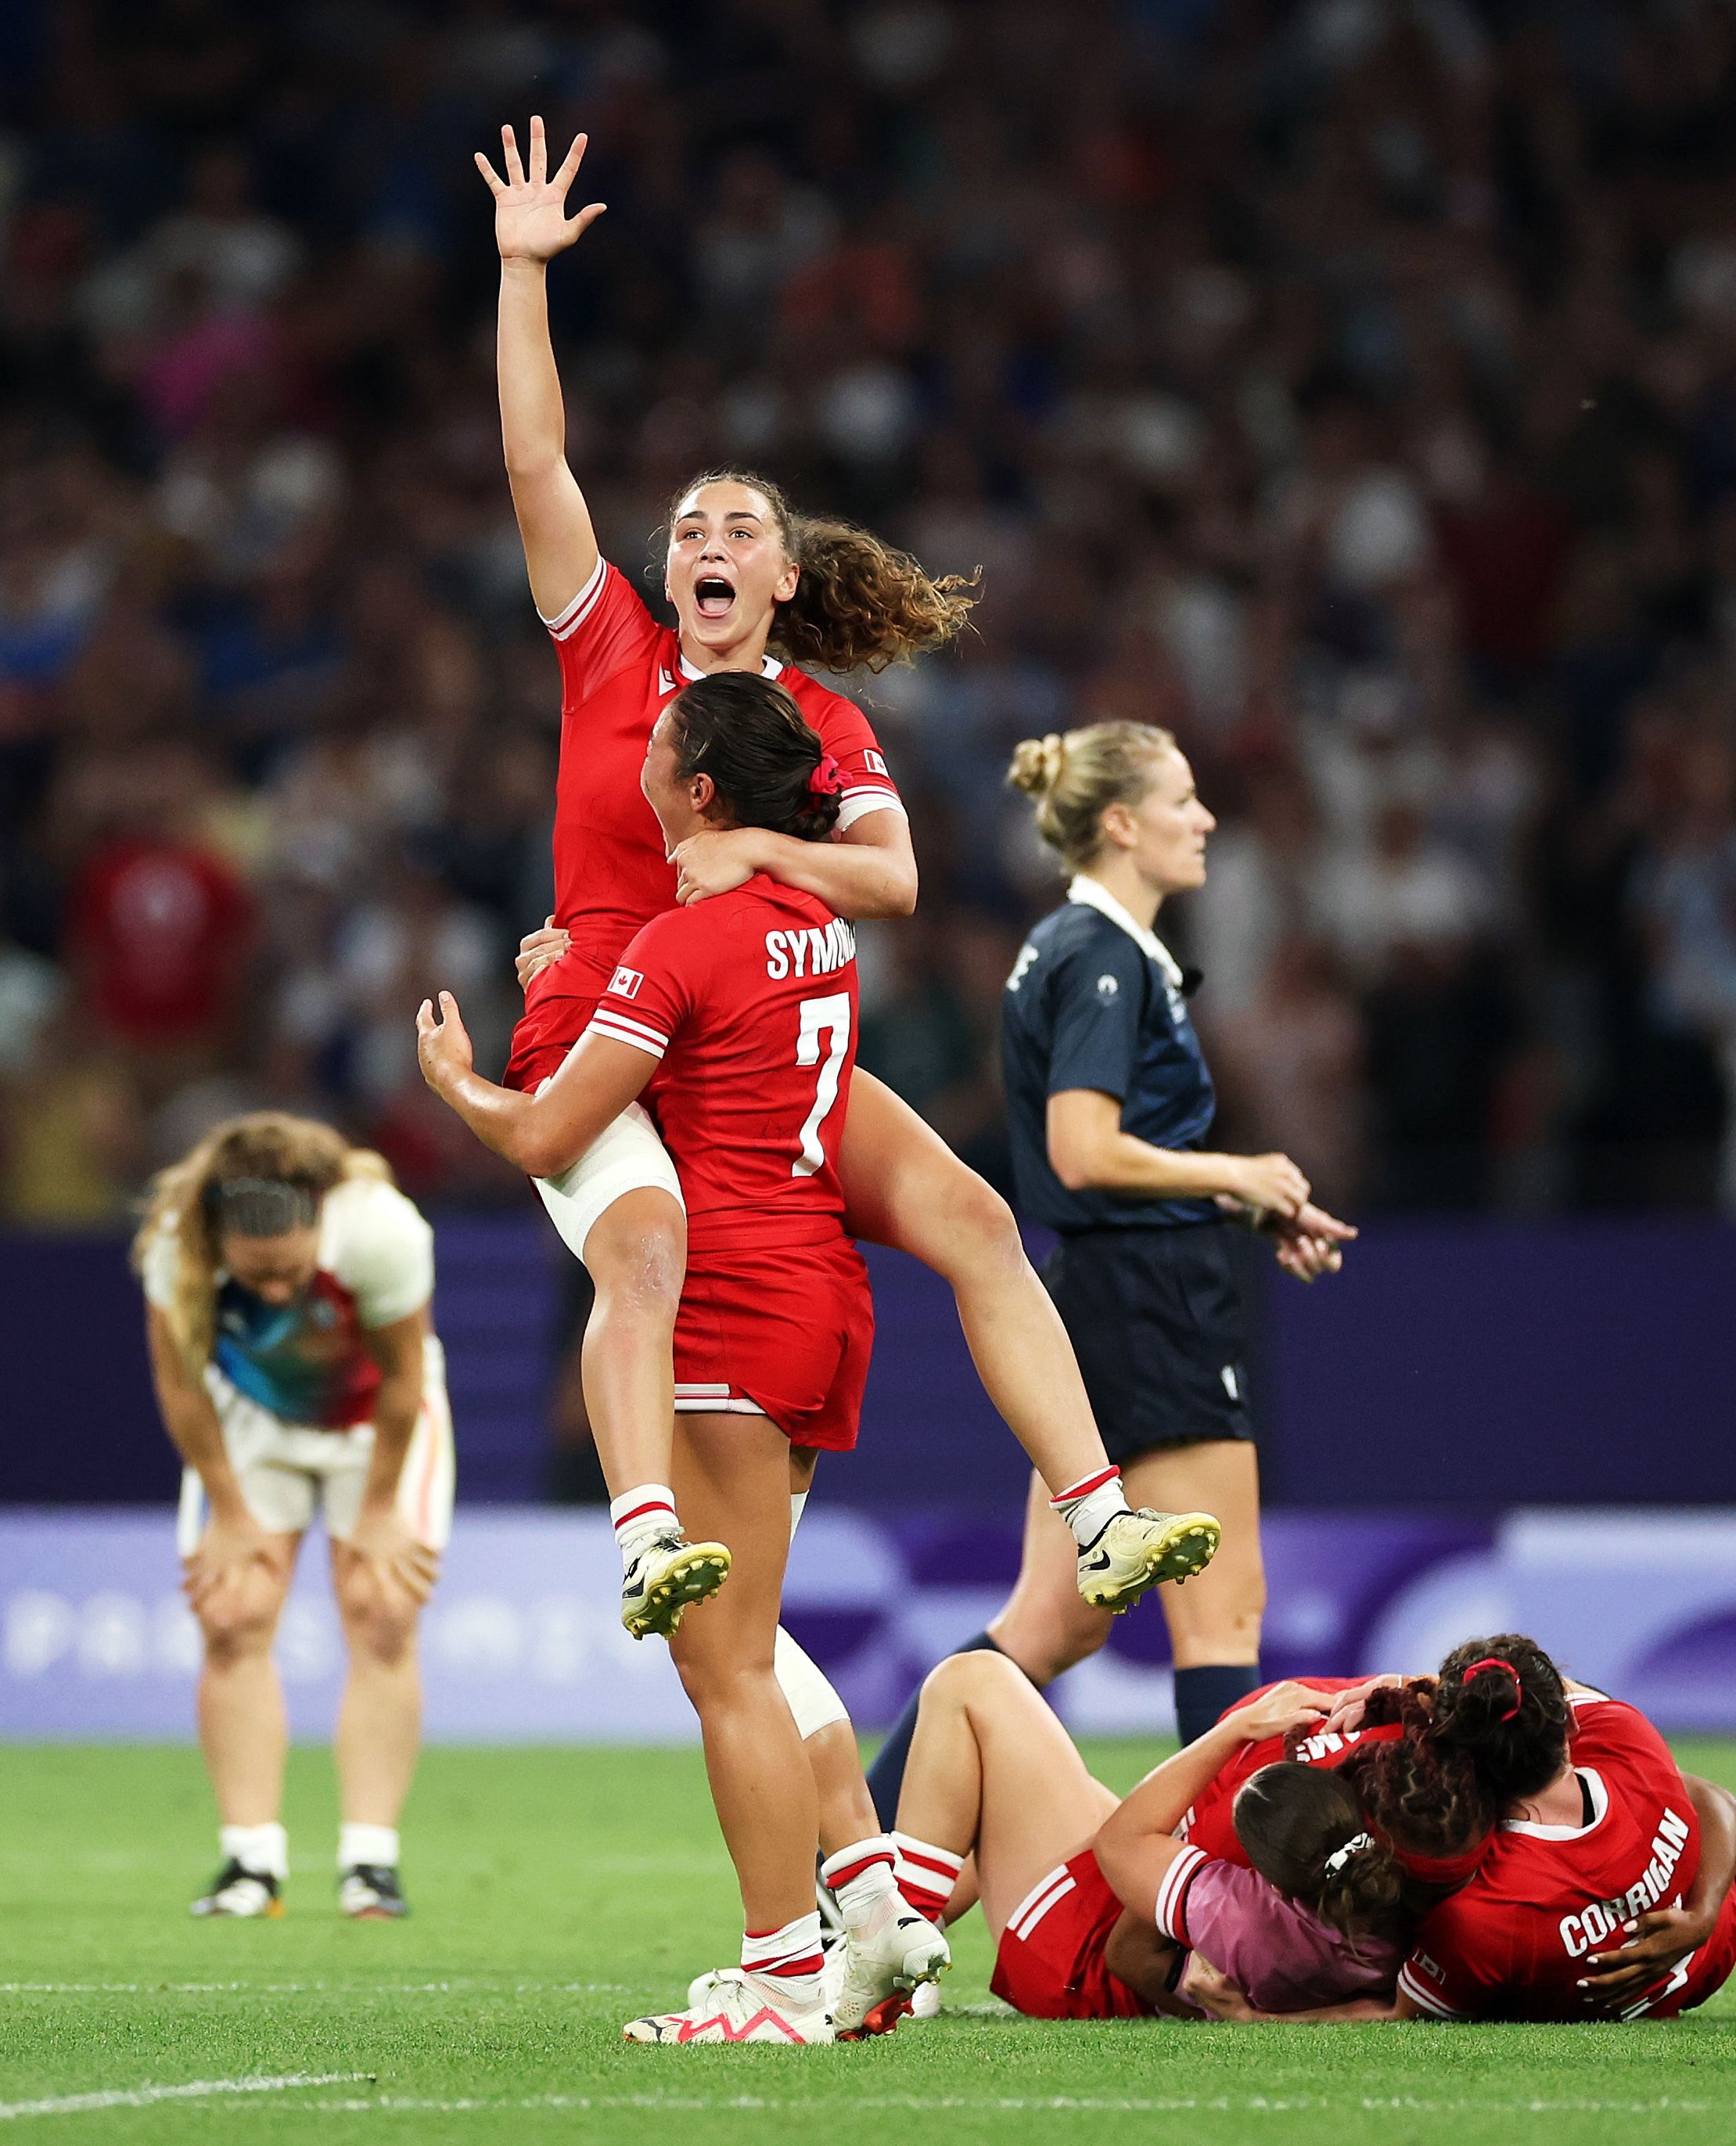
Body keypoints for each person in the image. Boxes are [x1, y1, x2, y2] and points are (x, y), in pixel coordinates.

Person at [476, 116, 1214, 1639]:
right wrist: (521, 271)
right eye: (688, 527)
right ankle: (643, 1541)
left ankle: (1094, 1519)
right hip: (627, 1023)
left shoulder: (820, 720)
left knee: (975, 1220)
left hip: (749, 1044)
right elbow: (534, 458)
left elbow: (896, 878)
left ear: (785, 578)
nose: (705, 540)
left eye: (739, 526)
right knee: (641, 1264)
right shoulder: (608, 644)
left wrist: (751, 847)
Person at [417, 671, 941, 2045]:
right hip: (825, 1294)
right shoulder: (814, 924)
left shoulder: (676, 944)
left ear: (697, 793)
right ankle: (870, 1916)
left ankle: (774, 1981)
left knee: (725, 1670)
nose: (633, 751)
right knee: (754, 1646)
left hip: (725, 1302)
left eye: (655, 742)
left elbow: (543, 1137)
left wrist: (458, 1078)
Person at [864, 721, 1354, 1821]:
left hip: (1098, 1291)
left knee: (1051, 1620)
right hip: (1152, 1300)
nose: (1206, 818)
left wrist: (1229, 1196)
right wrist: (1235, 1167)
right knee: (1221, 1616)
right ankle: (1238, 1903)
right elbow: (1084, 1149)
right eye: (1184, 799)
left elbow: (1091, 1161)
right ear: (1123, 823)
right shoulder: (1104, 956)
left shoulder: (1064, 945)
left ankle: (861, 1866)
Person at [133, 1112, 451, 1923]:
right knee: (232, 1614)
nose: (275, 1290)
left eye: (289, 1271)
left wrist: (379, 1507)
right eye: (257, 1275)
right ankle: (250, 1862)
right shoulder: (179, 1244)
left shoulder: (379, 1231)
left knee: (381, 1611)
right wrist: (230, 1509)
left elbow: (403, 1374)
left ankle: (369, 1865)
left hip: (376, 1420)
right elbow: (179, 1385)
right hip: (255, 1419)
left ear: (319, 1220)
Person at [886, 1658, 1423, 2022]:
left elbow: (1130, 1937)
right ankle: (873, 1922)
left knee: (971, 1681)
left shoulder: (1277, 1815)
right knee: (987, 1788)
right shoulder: (1417, 1812)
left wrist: (1231, 1734)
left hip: (1080, 1954)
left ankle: (889, 1959)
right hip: (1138, 1895)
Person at [1333, 1635, 1736, 2025]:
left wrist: (1267, 2017)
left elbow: (1395, 2011)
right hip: (1715, 1946)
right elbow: (1717, 1798)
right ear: (1570, 1723)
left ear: (1460, 1761)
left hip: (1610, 1981)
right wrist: (1702, 1917)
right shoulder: (1628, 1733)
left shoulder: (1478, 1918)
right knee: (1670, 1782)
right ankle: (1735, 1861)